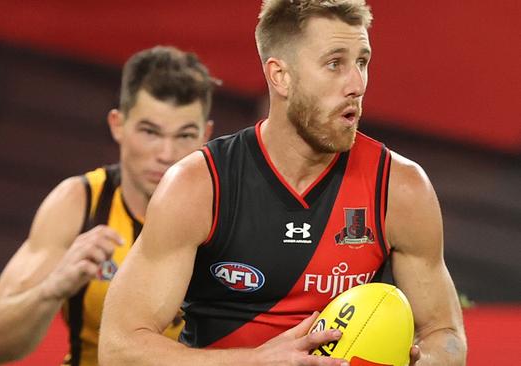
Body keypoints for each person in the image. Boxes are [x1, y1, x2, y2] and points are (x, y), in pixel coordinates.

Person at [99, 1, 466, 365]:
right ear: (280, 76)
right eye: (335, 63)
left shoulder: (399, 188)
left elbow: (445, 335)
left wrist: (421, 362)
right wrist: (256, 362)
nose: (356, 84)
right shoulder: (201, 186)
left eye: (362, 62)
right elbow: (119, 348)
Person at [0, 46, 215, 365]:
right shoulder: (79, 203)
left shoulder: (227, 208)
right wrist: (52, 287)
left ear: (207, 134)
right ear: (118, 125)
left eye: (185, 135)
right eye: (149, 132)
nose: (166, 153)